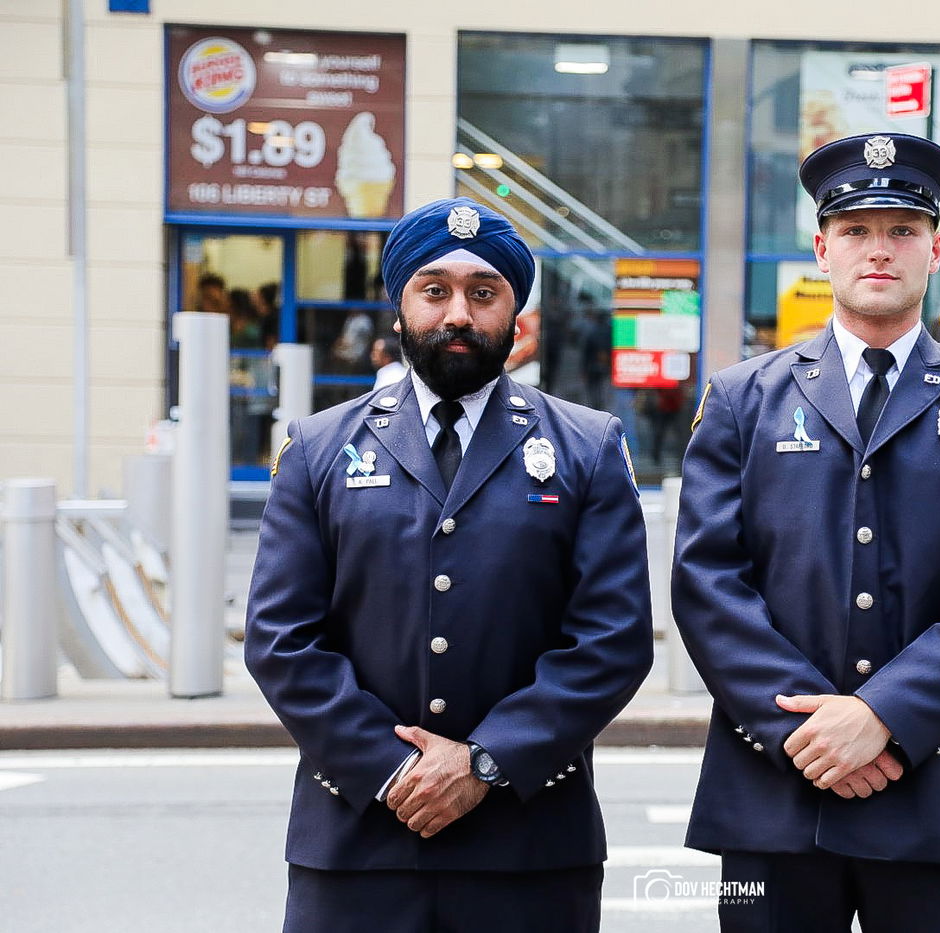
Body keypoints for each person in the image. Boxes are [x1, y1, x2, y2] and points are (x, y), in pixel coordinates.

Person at [672, 132, 940, 933]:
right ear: (822, 248)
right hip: (773, 794)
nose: (878, 250)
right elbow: (708, 584)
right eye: (855, 231)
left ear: (935, 248)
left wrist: (881, 715)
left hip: (935, 795)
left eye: (902, 230)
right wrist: (808, 732)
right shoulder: (742, 400)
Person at [244, 196, 654, 933]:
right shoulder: (317, 448)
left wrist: (484, 762)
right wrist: (392, 768)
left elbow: (611, 639)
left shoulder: (588, 446)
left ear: (516, 320)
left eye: (483, 293)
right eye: (434, 290)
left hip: (529, 849)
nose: (458, 313)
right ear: (399, 310)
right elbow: (281, 639)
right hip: (357, 841)